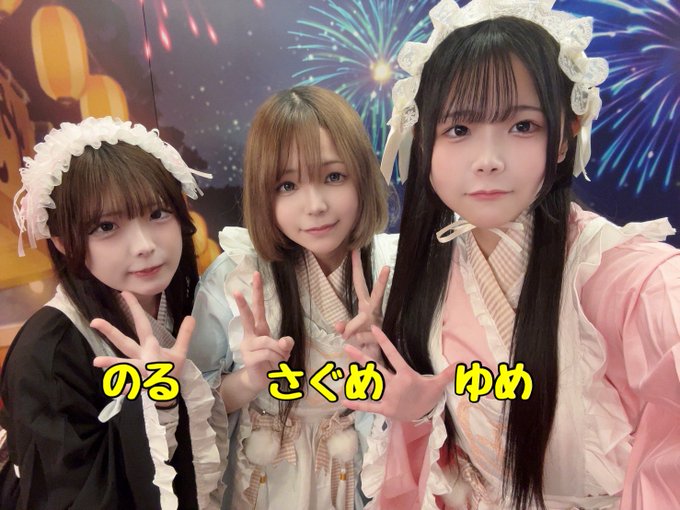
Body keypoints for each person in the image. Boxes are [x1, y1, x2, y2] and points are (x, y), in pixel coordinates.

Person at [341, 1, 680, 509]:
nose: (488, 161)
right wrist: (415, 411)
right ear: (424, 142)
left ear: (565, 135)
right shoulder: (431, 265)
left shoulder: (637, 281)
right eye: (458, 129)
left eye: (522, 126)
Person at [1, 116, 227, 509]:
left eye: (158, 213)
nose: (144, 245)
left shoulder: (193, 299)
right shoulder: (47, 354)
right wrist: (157, 402)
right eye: (106, 226)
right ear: (62, 241)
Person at [187, 85, 397, 509]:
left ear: (362, 176)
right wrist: (250, 380)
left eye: (333, 177)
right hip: (268, 475)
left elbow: (430, 402)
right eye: (287, 185)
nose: (315, 205)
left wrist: (386, 360)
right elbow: (194, 400)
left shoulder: (393, 267)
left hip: (359, 468)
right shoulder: (237, 274)